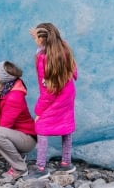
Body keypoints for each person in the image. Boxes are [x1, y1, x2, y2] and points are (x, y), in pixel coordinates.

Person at [29, 22, 78, 179]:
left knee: (41, 127)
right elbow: (73, 68)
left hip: (56, 95)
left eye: (37, 37)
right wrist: (39, 36)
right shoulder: (64, 48)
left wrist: (38, 111)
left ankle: (41, 168)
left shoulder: (43, 58)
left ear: (42, 40)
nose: (35, 40)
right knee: (66, 124)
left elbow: (48, 91)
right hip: (68, 93)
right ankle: (66, 163)